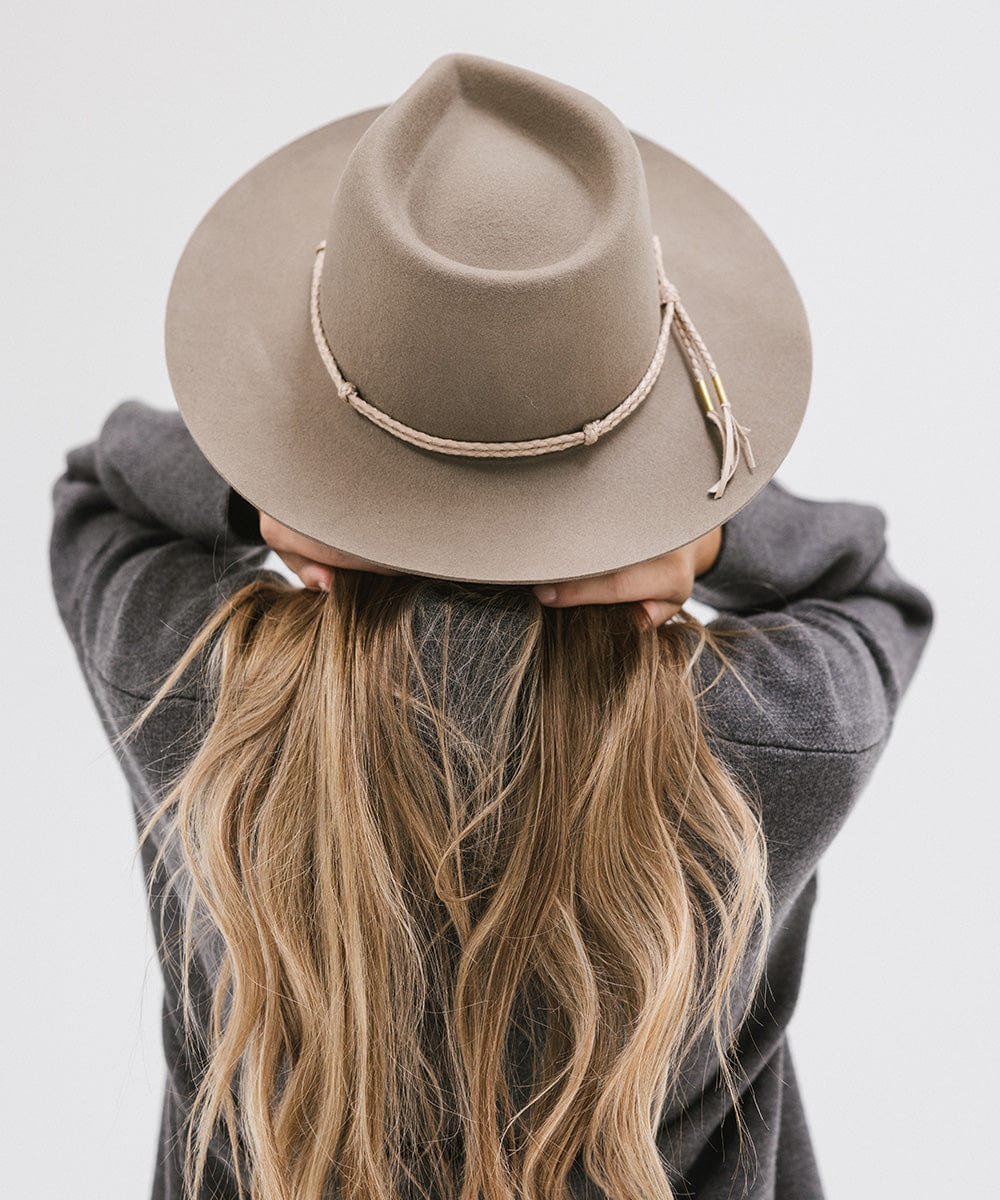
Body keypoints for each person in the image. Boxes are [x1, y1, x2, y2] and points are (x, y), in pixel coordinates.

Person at [49, 54, 934, 1200]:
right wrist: (706, 535)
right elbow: (867, 583)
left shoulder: (201, 686)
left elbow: (100, 485)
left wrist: (260, 497)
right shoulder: (771, 734)